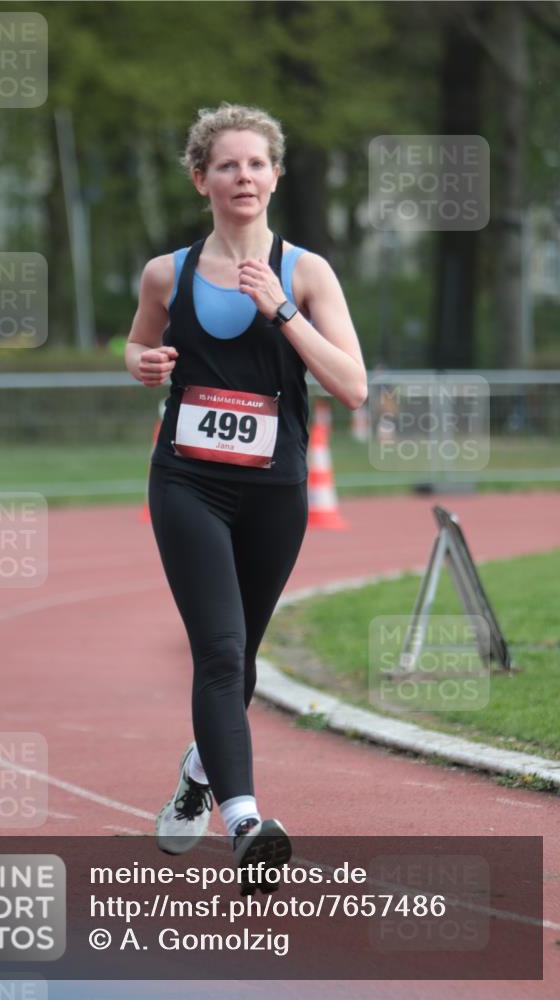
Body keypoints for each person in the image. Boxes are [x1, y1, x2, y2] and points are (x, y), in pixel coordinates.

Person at [125, 103, 367, 895]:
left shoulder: (306, 272)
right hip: (187, 483)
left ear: (275, 176)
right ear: (201, 180)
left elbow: (353, 388)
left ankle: (200, 768)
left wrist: (283, 312)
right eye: (226, 165)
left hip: (276, 490)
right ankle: (244, 822)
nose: (243, 177)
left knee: (242, 656)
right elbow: (138, 339)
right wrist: (141, 363)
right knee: (220, 652)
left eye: (257, 163)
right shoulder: (170, 272)